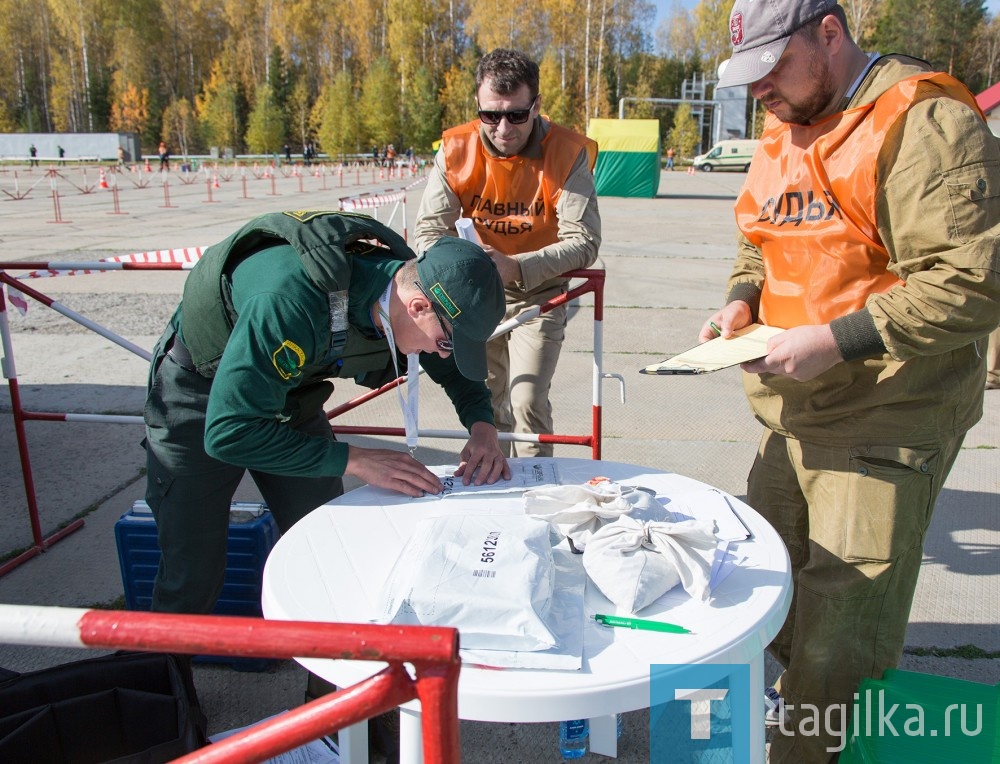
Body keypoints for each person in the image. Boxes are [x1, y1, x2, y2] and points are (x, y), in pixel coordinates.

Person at [705, 1, 1000, 761]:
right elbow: (761, 241)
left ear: (830, 35)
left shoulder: (920, 121)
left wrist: (840, 340)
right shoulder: (787, 115)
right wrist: (741, 300)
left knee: (838, 656)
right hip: (793, 416)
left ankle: (810, 744)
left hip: (883, 420)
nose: (761, 89)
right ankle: (807, 709)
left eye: (774, 66)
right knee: (763, 601)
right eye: (752, 75)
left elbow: (973, 280)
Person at [143, 211, 509, 617]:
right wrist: (356, 458)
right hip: (203, 398)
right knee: (190, 572)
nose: (440, 355)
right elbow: (230, 431)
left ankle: (331, 678)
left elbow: (456, 372)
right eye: (443, 343)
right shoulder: (290, 301)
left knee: (325, 550)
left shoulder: (406, 299)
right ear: (419, 305)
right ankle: (160, 674)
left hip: (289, 397)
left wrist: (482, 427)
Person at [414, 48, 601, 457]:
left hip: (539, 294)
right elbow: (427, 232)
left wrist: (516, 266)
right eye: (490, 115)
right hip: (474, 296)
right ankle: (494, 489)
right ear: (477, 107)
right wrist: (464, 266)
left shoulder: (568, 152)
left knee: (526, 401)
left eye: (516, 114)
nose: (503, 128)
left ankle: (537, 491)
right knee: (487, 402)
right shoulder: (454, 150)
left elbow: (584, 241)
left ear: (536, 105)